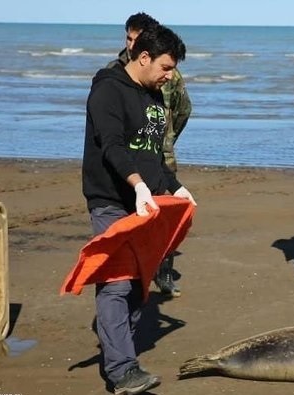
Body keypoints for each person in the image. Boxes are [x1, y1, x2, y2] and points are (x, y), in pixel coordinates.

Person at [83, 23, 196, 394]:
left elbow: (153, 155)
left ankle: (121, 351)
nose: (170, 75)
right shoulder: (107, 90)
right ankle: (122, 370)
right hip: (113, 200)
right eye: (165, 67)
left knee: (137, 285)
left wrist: (177, 188)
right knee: (115, 283)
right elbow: (112, 146)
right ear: (143, 57)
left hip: (146, 202)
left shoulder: (153, 96)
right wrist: (139, 186)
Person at [107, 12, 192, 298]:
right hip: (127, 158)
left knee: (162, 221)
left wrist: (166, 140)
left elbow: (183, 109)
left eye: (137, 39)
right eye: (128, 38)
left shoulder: (168, 71)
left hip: (160, 155)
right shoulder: (114, 72)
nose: (131, 44)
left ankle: (163, 271)